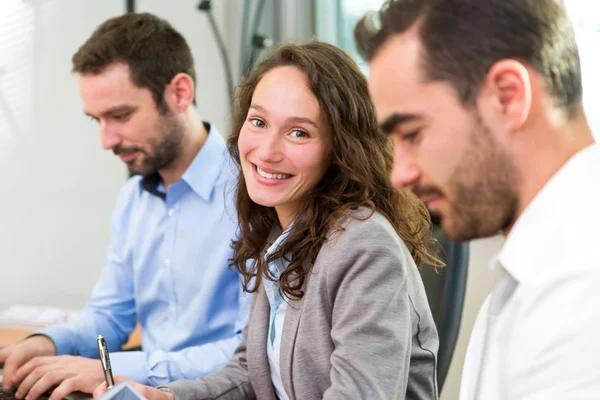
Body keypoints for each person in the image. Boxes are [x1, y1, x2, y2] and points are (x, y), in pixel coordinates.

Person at [94, 41, 441, 400]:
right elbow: (250, 372)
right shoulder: (283, 232)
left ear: (341, 149)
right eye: (258, 122)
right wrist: (163, 397)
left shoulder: (365, 246)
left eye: (298, 132)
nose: (267, 151)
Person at [356, 0, 600, 398]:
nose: (399, 174)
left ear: (507, 96)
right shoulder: (536, 273)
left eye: (412, 133)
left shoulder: (583, 291)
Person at [0, 12, 249, 400]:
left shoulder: (253, 193)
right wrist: (46, 343)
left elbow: (248, 354)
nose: (107, 140)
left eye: (120, 115)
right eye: (96, 119)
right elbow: (110, 315)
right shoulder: (133, 200)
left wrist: (113, 368)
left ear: (180, 93)